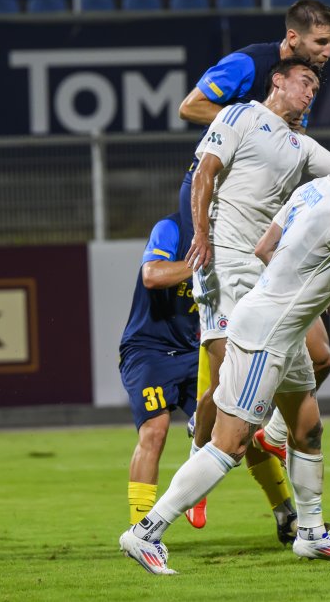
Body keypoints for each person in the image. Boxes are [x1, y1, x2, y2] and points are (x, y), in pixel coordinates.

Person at [120, 119, 330, 574]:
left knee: (308, 430)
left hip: (283, 332)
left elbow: (264, 248)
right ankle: (146, 532)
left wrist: (317, 279)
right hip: (265, 338)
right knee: (229, 445)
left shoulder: (311, 191)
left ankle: (312, 535)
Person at [178, 0, 330, 533]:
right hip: (221, 217)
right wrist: (249, 125)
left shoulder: (302, 93)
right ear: (291, 41)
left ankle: (273, 459)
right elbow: (191, 108)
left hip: (268, 235)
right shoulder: (249, 69)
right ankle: (200, 457)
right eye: (320, 44)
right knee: (229, 385)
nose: (328, 53)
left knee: (318, 358)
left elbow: (316, 178)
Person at [119, 213, 199, 527]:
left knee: (232, 432)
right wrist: (203, 261)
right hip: (148, 349)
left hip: (194, 351)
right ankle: (140, 532)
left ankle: (197, 488)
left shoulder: (235, 231)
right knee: (155, 431)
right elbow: (151, 275)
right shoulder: (172, 229)